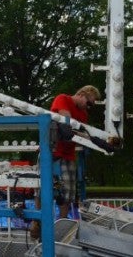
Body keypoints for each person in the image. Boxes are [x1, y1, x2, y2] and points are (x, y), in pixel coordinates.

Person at [30, 85, 101, 239]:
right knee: (41, 190)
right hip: (50, 152)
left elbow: (79, 132)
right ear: (83, 94)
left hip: (67, 156)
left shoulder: (83, 114)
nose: (88, 107)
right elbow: (65, 118)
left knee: (67, 195)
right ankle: (37, 222)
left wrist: (96, 140)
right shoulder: (63, 98)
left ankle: (60, 227)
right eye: (89, 103)